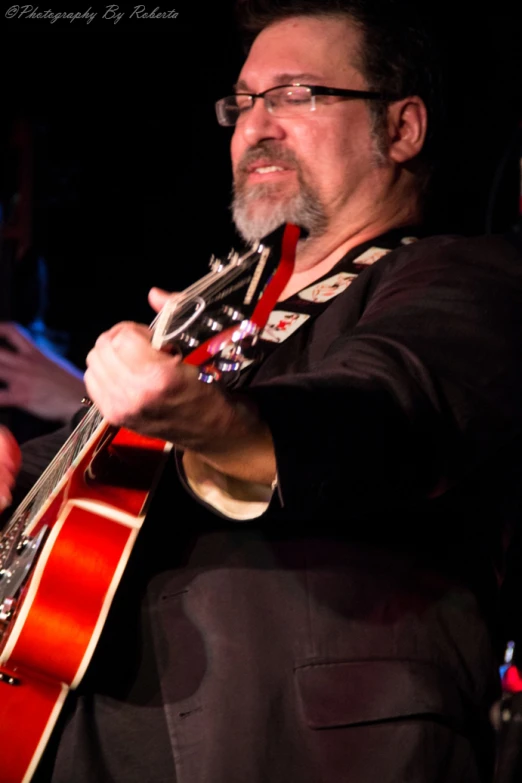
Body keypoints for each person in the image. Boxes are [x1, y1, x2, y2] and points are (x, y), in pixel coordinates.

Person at [1, 1, 522, 781]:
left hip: (302, 743)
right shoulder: (225, 312)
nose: (256, 125)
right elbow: (104, 484)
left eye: (297, 94)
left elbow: (383, 412)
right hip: (82, 736)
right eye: (243, 102)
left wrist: (206, 416)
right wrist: (18, 465)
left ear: (403, 128)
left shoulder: (462, 275)